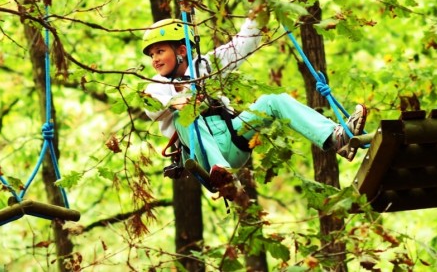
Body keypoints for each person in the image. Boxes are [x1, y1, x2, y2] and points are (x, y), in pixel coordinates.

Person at [141, 15, 367, 200]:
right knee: (185, 115)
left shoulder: (207, 66)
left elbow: (241, 45)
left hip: (233, 137)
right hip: (203, 155)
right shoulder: (157, 86)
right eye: (152, 55)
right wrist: (173, 103)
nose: (155, 60)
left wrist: (258, 10)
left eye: (160, 51)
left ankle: (335, 137)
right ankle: (224, 177)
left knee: (273, 100)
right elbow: (150, 106)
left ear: (182, 51)